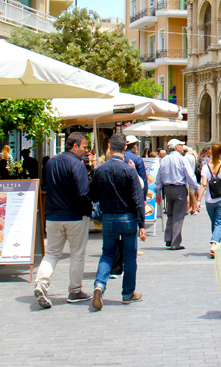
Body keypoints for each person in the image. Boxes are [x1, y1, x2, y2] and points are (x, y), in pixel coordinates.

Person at [34, 132, 92, 309]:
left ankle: (41, 284)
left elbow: (46, 185)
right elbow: (83, 193)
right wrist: (90, 209)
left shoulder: (50, 162)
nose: (86, 150)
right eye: (84, 147)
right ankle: (75, 290)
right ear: (74, 146)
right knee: (77, 254)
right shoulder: (77, 165)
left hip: (53, 216)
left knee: (51, 253)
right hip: (74, 216)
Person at [90, 133, 146, 309]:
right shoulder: (129, 170)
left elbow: (93, 195)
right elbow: (138, 199)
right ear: (124, 149)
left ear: (109, 148)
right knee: (129, 256)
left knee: (107, 253)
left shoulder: (100, 170)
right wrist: (142, 225)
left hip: (108, 217)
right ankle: (128, 293)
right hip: (128, 217)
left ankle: (99, 285)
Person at [154, 139, 199, 250]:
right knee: (178, 216)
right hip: (179, 188)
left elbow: (159, 175)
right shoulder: (181, 159)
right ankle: (175, 242)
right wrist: (196, 188)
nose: (182, 147)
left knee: (170, 214)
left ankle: (168, 238)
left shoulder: (164, 160)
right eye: (180, 145)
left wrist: (158, 190)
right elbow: (189, 175)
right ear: (177, 147)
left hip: (167, 189)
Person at [197, 144, 221, 258]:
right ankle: (214, 244)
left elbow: (203, 184)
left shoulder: (205, 167)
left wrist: (198, 200)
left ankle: (216, 245)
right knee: (218, 223)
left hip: (209, 200)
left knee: (215, 222)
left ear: (211, 153)